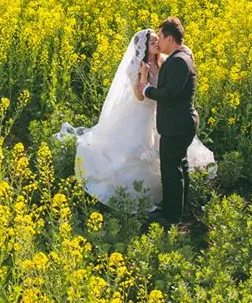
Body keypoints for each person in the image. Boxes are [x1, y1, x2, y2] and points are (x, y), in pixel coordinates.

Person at [54, 26, 214, 214]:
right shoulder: (135, 66)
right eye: (152, 41)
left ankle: (174, 207)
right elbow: (140, 97)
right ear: (144, 47)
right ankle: (154, 201)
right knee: (144, 156)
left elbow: (173, 79)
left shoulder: (165, 61)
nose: (157, 43)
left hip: (164, 114)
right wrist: (144, 75)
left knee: (170, 162)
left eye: (158, 39)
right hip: (143, 114)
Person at [137, 17, 199, 224]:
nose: (159, 42)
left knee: (171, 171)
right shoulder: (182, 55)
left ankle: (171, 217)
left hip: (176, 125)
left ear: (169, 38)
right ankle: (179, 209)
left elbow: (170, 93)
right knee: (180, 167)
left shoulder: (178, 61)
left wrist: (148, 90)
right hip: (180, 123)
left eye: (161, 37)